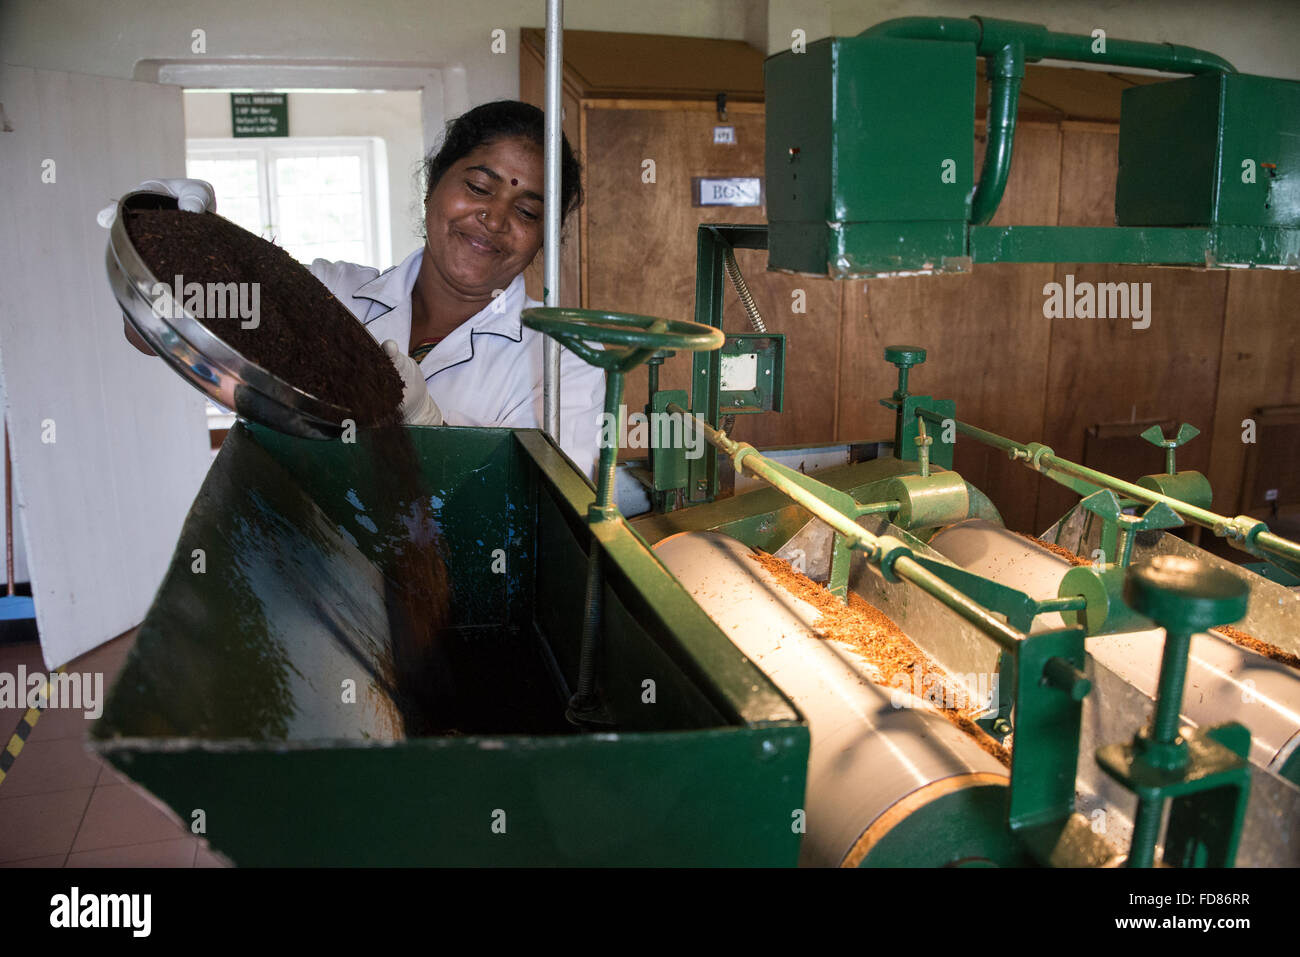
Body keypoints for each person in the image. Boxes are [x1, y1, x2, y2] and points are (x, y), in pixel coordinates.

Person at [107, 101, 605, 478]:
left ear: (545, 236)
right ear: (433, 184)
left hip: (450, 604)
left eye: (528, 211)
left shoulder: (566, 361)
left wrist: (425, 427)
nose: (494, 218)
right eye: (478, 186)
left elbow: (535, 525)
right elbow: (158, 329)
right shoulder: (328, 292)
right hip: (293, 560)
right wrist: (175, 237)